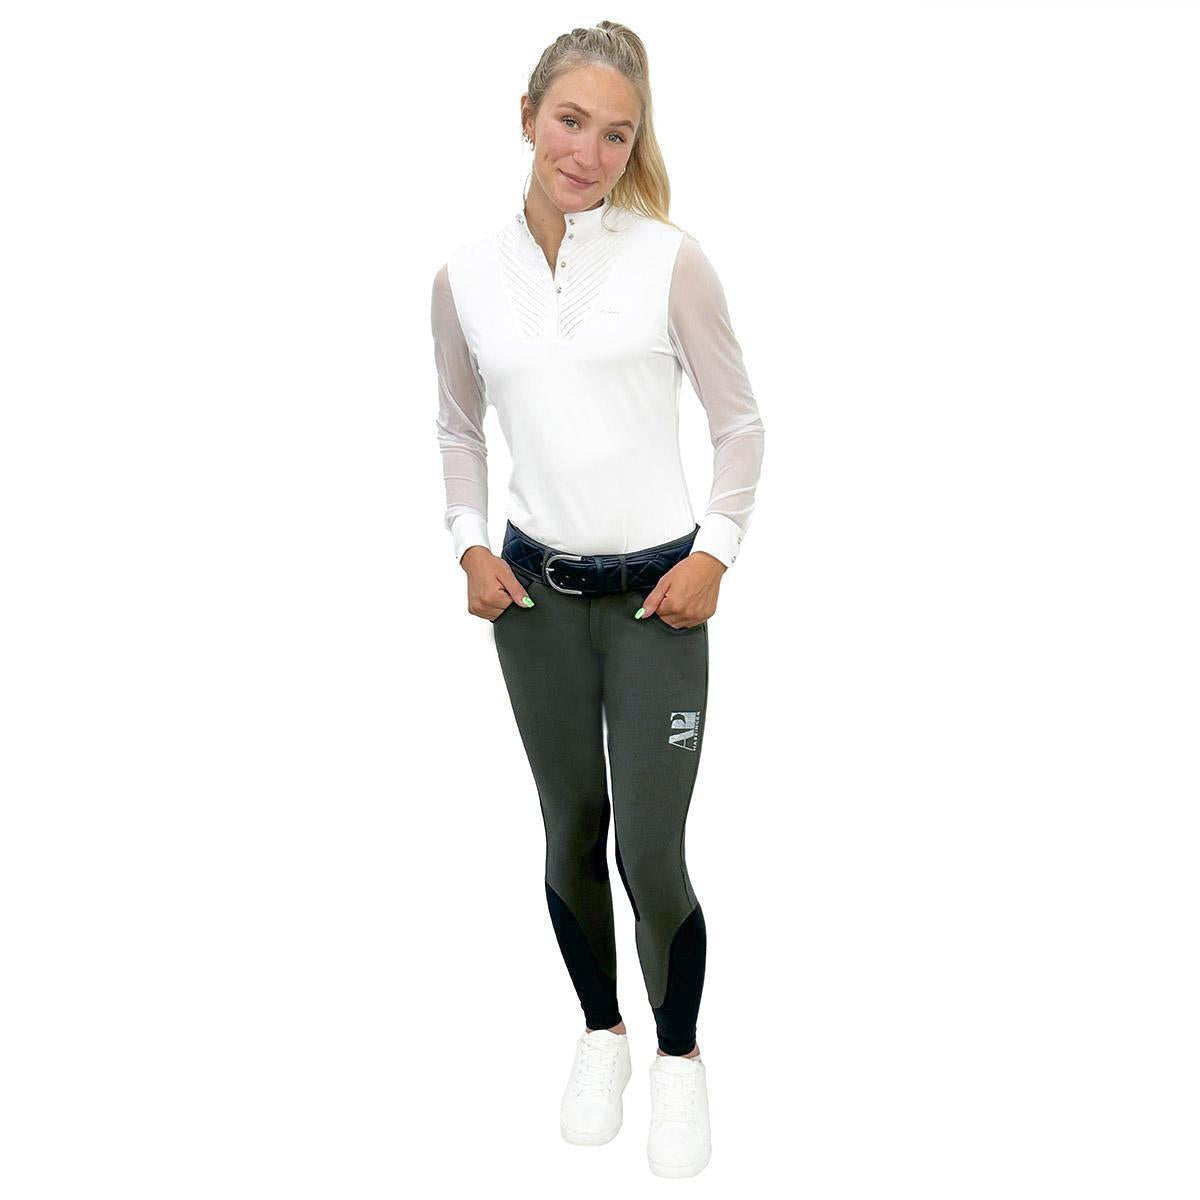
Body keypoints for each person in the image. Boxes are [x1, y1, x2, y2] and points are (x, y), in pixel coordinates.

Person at [430, 22, 765, 1179]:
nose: (589, 152)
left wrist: (717, 552)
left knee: (652, 852)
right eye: (570, 121)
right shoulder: (465, 278)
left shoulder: (671, 260)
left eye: (617, 134)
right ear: (526, 116)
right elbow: (458, 427)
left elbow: (740, 424)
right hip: (535, 603)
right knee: (571, 828)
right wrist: (469, 546)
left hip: (660, 604)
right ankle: (601, 1036)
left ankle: (679, 1060)